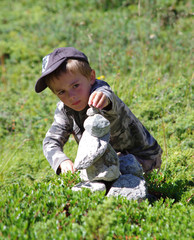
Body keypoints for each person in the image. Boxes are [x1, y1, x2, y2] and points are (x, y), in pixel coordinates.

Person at [35, 47, 162, 175]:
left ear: (91, 77)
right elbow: (50, 142)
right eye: (61, 92)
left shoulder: (100, 91)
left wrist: (104, 99)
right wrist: (62, 161)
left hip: (144, 159)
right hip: (105, 164)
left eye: (75, 86)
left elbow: (106, 95)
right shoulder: (64, 110)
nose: (71, 96)